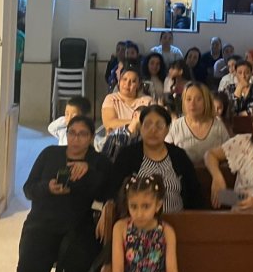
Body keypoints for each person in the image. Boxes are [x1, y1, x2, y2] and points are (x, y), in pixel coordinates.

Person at [17, 116, 111, 272]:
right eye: (72, 133)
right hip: (42, 222)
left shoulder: (98, 161)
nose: (76, 139)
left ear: (91, 138)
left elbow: (107, 193)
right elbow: (29, 189)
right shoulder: (50, 154)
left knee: (84, 264)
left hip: (78, 224)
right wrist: (47, 187)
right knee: (28, 267)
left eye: (82, 134)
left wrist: (88, 172)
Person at [98, 105, 203, 239]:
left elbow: (195, 194)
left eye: (159, 125)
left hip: (177, 228)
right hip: (136, 228)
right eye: (147, 125)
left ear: (167, 129)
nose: (153, 130)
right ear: (141, 128)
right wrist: (106, 209)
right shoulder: (128, 155)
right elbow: (113, 189)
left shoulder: (179, 156)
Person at [166, 82, 230, 164]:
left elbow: (229, 152)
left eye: (198, 99)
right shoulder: (176, 126)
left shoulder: (218, 126)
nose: (192, 104)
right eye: (188, 99)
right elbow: (164, 154)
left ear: (206, 101)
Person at [101, 68, 154, 160]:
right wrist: (136, 121)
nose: (127, 84)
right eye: (124, 79)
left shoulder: (147, 101)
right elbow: (109, 123)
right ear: (119, 81)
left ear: (138, 84)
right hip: (116, 146)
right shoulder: (111, 99)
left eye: (133, 81)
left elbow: (153, 124)